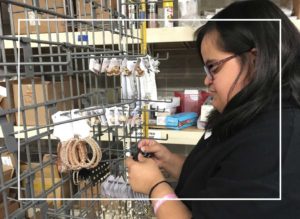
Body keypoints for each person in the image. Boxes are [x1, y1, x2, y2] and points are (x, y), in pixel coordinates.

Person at [126, 0, 300, 218]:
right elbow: (220, 180)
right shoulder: (247, 115)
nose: (207, 80)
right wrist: (168, 160)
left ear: (255, 60)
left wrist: (155, 187)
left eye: (213, 67)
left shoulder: (274, 141)